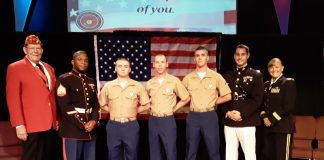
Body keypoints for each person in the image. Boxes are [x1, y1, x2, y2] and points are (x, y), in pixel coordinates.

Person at [6, 34, 58, 160]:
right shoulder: (15, 67)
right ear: (25, 50)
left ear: (42, 50)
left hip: (50, 124)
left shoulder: (49, 68)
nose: (36, 51)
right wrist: (19, 124)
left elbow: (51, 97)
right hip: (31, 125)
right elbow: (12, 99)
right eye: (32, 48)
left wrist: (57, 118)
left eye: (38, 48)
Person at [182, 46, 232, 160]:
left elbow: (228, 95)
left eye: (203, 55)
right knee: (190, 151)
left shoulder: (216, 76)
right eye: (197, 56)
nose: (200, 58)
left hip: (209, 116)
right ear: (194, 59)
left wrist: (214, 101)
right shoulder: (188, 78)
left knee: (213, 150)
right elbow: (182, 97)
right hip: (193, 116)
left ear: (207, 58)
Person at [98, 58, 150, 160]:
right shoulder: (108, 86)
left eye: (125, 66)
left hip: (131, 125)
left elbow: (146, 105)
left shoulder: (137, 86)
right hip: (114, 125)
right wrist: (112, 111)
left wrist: (135, 111)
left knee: (132, 155)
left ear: (130, 69)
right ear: (115, 68)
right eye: (119, 66)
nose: (122, 69)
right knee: (113, 155)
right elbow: (102, 104)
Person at [222, 44, 264, 160]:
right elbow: (222, 98)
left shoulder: (255, 75)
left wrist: (242, 114)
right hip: (229, 121)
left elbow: (258, 99)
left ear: (248, 56)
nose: (239, 57)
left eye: (243, 54)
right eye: (237, 54)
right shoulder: (227, 76)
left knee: (249, 155)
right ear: (234, 56)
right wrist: (228, 113)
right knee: (230, 155)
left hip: (247, 121)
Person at [56, 50, 100, 160]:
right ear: (72, 61)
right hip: (72, 130)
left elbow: (96, 104)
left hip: (91, 131)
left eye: (86, 60)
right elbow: (65, 106)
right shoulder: (64, 79)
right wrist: (83, 124)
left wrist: (94, 121)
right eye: (79, 59)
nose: (83, 62)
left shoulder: (91, 81)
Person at [146, 54, 190, 160]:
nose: (160, 65)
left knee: (170, 152)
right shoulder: (149, 83)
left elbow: (186, 98)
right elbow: (145, 101)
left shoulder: (174, 81)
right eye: (157, 62)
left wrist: (174, 109)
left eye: (162, 62)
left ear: (166, 64)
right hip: (153, 120)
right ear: (153, 65)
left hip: (168, 120)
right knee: (154, 152)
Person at [260, 58, 296, 160]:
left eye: (277, 67)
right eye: (271, 67)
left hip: (282, 127)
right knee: (268, 156)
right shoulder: (266, 85)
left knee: (281, 157)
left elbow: (288, 106)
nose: (274, 69)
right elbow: (262, 105)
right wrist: (264, 118)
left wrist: (271, 119)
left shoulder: (288, 83)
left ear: (282, 68)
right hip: (268, 127)